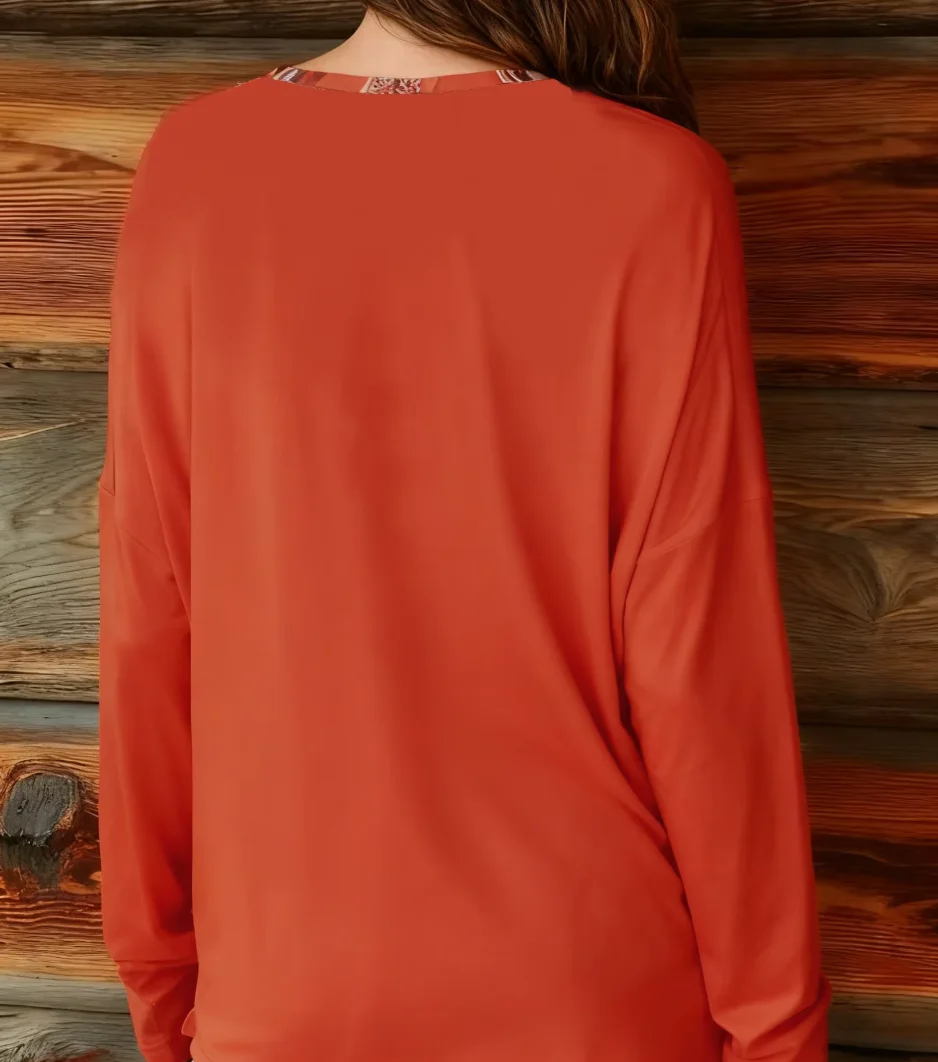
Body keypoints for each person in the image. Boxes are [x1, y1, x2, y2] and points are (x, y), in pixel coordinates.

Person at [96, 2, 832, 1060]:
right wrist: (775, 1030)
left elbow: (149, 616)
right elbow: (702, 662)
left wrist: (164, 986)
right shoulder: (655, 184)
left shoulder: (194, 165)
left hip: (279, 990)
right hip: (588, 994)